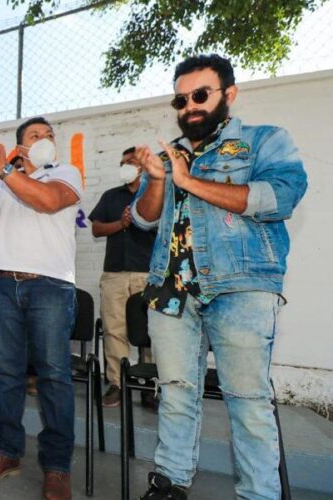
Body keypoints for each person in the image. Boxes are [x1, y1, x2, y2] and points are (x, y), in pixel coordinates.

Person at [131, 54, 307, 500]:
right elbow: (143, 218)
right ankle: (170, 483)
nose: (189, 105)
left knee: (247, 401)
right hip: (171, 290)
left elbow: (280, 197)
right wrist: (159, 180)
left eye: (200, 95)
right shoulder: (170, 154)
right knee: (175, 393)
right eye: (181, 99)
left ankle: (259, 494)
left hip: (241, 286)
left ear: (229, 94)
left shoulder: (263, 140)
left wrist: (189, 181)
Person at [0, 117, 82, 500]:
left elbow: (47, 201)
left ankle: (57, 467)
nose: (45, 139)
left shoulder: (65, 173)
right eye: (35, 135)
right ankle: (6, 452)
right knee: (6, 373)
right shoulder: (4, 179)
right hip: (3, 284)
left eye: (49, 135)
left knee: (54, 376)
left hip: (50, 285)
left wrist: (4, 170)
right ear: (21, 147)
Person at [88, 147, 157, 410]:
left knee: (150, 332)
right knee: (114, 330)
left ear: (143, 166)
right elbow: (96, 229)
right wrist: (121, 224)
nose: (125, 166)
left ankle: (151, 385)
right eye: (122, 162)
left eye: (131, 161)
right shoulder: (111, 196)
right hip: (114, 273)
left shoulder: (156, 193)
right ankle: (117, 384)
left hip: (148, 273)